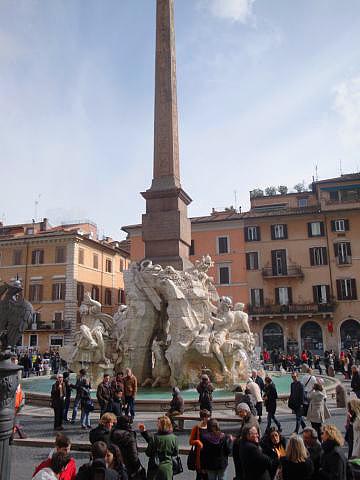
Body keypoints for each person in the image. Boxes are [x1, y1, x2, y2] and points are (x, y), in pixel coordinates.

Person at [139, 415, 179, 480]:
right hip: (167, 467)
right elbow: (175, 453)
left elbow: (148, 453)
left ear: (160, 425)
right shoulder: (174, 438)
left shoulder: (154, 437)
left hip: (155, 467)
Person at [189, 409, 211, 480]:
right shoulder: (196, 428)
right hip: (200, 456)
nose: (207, 419)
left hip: (208, 455)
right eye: (205, 417)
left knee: (208, 476)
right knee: (199, 476)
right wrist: (198, 442)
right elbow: (191, 441)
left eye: (208, 417)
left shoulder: (211, 427)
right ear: (202, 418)